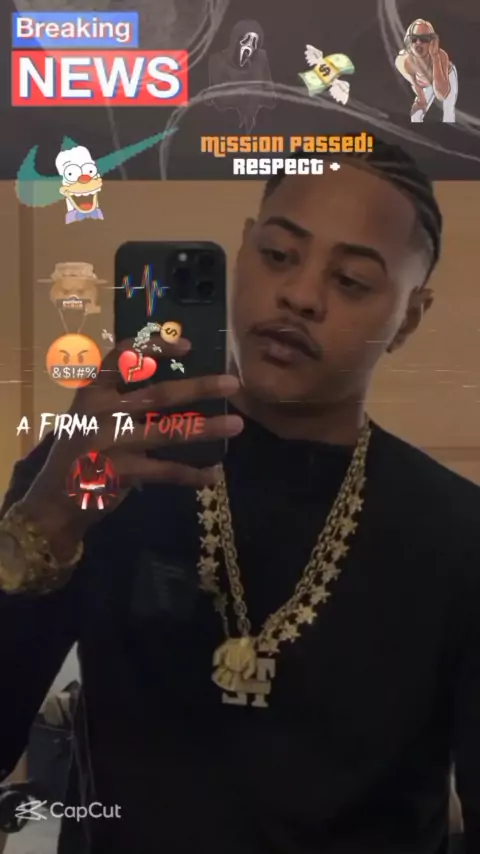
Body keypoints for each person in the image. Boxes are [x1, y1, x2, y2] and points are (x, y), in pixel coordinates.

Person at [0, 140, 478, 854]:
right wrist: (48, 517)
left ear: (409, 317)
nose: (301, 295)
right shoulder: (99, 465)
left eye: (351, 280)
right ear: (243, 250)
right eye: (279, 255)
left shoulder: (458, 535)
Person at [395, 19, 458, 123]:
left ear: (432, 42)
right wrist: (422, 100)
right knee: (415, 116)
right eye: (414, 39)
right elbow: (415, 84)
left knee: (448, 113)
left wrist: (435, 57)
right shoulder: (403, 61)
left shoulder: (441, 56)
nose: (418, 43)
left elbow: (442, 95)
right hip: (426, 82)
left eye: (424, 39)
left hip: (445, 76)